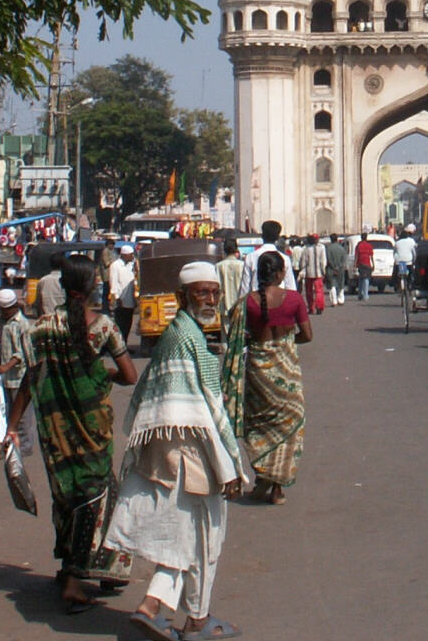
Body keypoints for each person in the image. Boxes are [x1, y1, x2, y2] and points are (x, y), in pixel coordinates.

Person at [107, 262, 247, 641]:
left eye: (215, 293)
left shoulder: (180, 334)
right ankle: (195, 621)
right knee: (204, 535)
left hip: (172, 451)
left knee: (187, 536)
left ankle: (156, 607)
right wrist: (230, 466)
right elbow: (205, 410)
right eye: (202, 292)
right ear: (182, 296)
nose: (211, 299)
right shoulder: (187, 338)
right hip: (192, 452)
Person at [6, 253, 139, 612]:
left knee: (67, 499)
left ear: (63, 287)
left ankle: (83, 566)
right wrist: (100, 373)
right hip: (93, 428)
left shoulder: (41, 328)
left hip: (55, 431)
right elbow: (129, 376)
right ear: (93, 285)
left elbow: (29, 381)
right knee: (95, 498)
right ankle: (77, 579)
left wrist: (12, 424)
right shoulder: (104, 328)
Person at [240, 249, 311, 505]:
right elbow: (307, 335)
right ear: (281, 273)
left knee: (259, 426)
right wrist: (287, 343)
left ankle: (262, 479)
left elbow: (237, 335)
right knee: (288, 427)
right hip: (287, 374)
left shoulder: (248, 302)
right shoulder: (293, 299)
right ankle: (277, 488)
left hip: (258, 373)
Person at [0, 288, 34, 451]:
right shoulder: (1, 322)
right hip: (6, 378)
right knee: (8, 413)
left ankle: (24, 446)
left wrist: (6, 366)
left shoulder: (22, 325)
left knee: (23, 415)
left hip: (19, 376)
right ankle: (10, 441)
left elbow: (22, 353)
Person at [109, 243, 138, 342]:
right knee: (121, 325)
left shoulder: (130, 266)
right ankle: (120, 345)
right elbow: (113, 283)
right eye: (131, 254)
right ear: (125, 255)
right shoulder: (115, 266)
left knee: (128, 324)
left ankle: (125, 343)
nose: (132, 256)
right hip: (120, 301)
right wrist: (117, 298)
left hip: (130, 300)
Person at [294, 231, 326, 313]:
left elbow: (303, 262)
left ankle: (311, 308)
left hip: (309, 273)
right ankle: (319, 307)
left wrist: (302, 270)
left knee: (309, 292)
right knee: (319, 291)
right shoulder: (321, 248)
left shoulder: (306, 249)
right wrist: (323, 272)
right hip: (318, 273)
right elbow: (323, 262)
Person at [216, 238, 246, 315]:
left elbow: (218, 287)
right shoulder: (242, 265)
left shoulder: (219, 266)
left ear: (224, 250)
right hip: (240, 306)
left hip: (225, 306)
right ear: (236, 249)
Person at [36, 250, 67, 317]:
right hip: (64, 319)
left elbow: (38, 304)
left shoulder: (43, 281)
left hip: (47, 320)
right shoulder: (68, 280)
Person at [324, 233, 347, 307]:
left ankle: (334, 301)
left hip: (331, 269)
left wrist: (334, 267)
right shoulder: (342, 248)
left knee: (332, 285)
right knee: (341, 284)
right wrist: (339, 267)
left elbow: (328, 259)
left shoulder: (328, 248)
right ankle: (341, 299)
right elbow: (344, 260)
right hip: (340, 269)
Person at [393, 224, 417, 293]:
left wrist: (395, 259)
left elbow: (394, 253)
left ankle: (398, 286)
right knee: (410, 274)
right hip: (408, 261)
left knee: (399, 274)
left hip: (400, 262)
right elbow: (414, 252)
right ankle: (409, 285)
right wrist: (414, 259)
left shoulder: (397, 243)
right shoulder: (411, 242)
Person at [354, 235, 375, 301]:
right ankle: (365, 295)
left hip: (360, 263)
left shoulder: (358, 245)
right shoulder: (369, 246)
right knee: (366, 279)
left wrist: (355, 264)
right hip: (367, 263)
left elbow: (356, 255)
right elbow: (371, 256)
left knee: (361, 278)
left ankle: (360, 294)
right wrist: (373, 264)